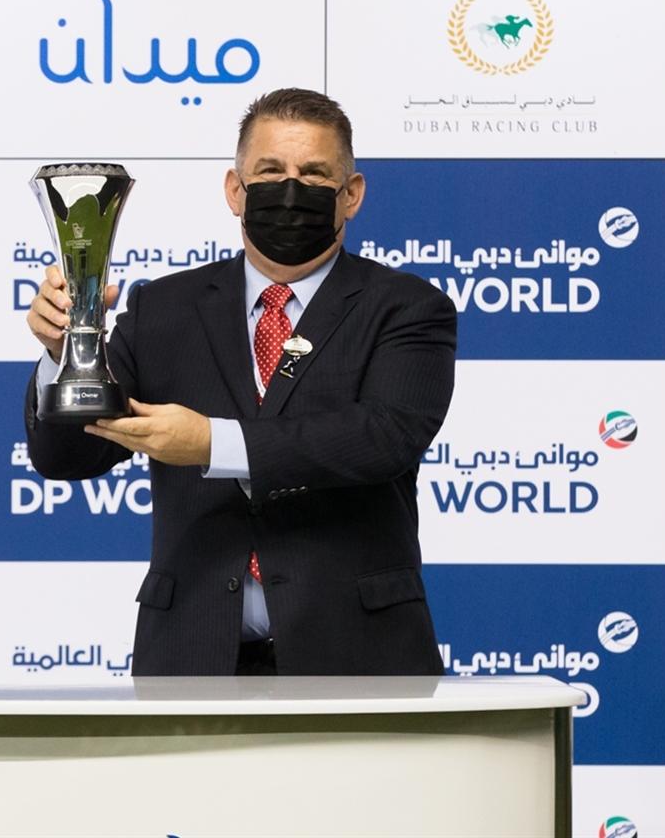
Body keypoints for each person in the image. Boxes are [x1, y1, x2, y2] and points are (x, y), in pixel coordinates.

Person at [24, 89, 456, 676]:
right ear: (235, 189)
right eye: (271, 171)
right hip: (191, 656)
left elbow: (384, 437)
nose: (290, 190)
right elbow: (68, 457)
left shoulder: (405, 307)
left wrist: (212, 444)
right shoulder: (162, 309)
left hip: (359, 655)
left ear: (351, 195)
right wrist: (63, 352)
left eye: (314, 175)